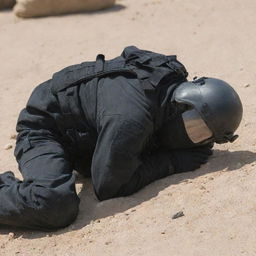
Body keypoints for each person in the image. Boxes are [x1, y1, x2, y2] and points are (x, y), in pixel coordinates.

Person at [0, 46, 243, 230]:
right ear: (183, 103)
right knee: (54, 205)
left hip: (88, 130)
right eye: (194, 127)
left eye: (203, 136)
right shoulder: (133, 117)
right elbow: (108, 186)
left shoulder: (166, 90)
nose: (193, 138)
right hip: (46, 128)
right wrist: (172, 163)